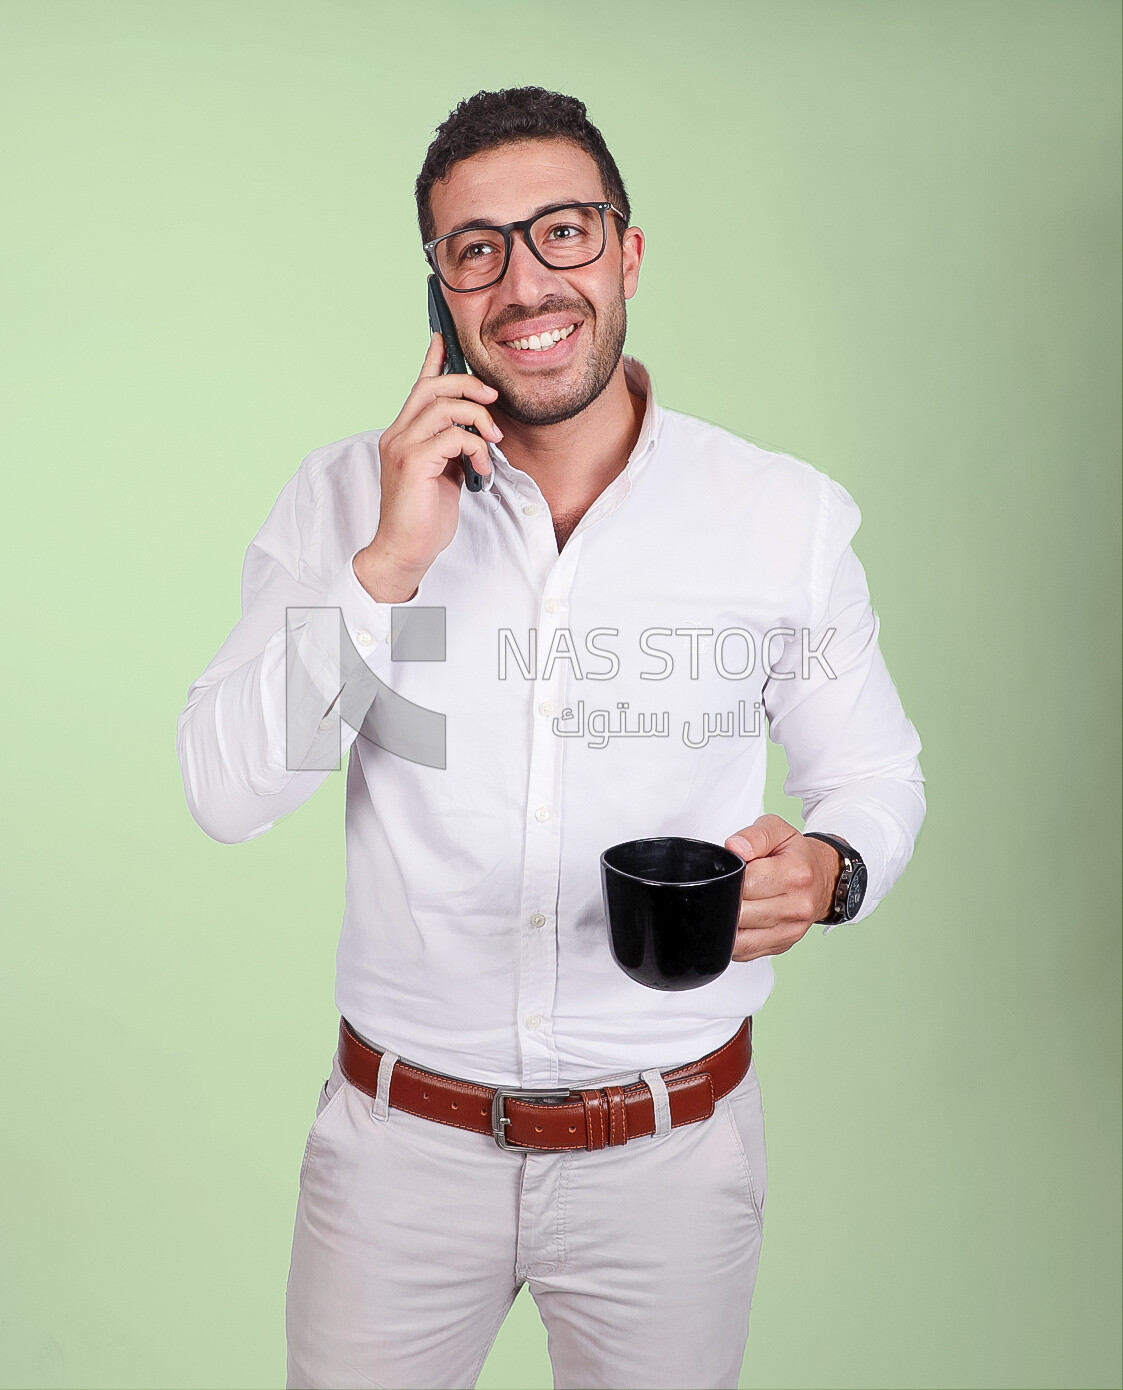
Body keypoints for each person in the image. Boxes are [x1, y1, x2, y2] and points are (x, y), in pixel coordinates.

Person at [176, 86, 925, 1390]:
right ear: (441, 293)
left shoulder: (778, 516)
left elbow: (871, 775)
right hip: (398, 1159)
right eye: (478, 248)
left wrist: (833, 868)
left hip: (673, 1161)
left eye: (564, 232)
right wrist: (390, 562)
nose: (526, 279)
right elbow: (227, 791)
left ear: (627, 252)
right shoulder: (347, 498)